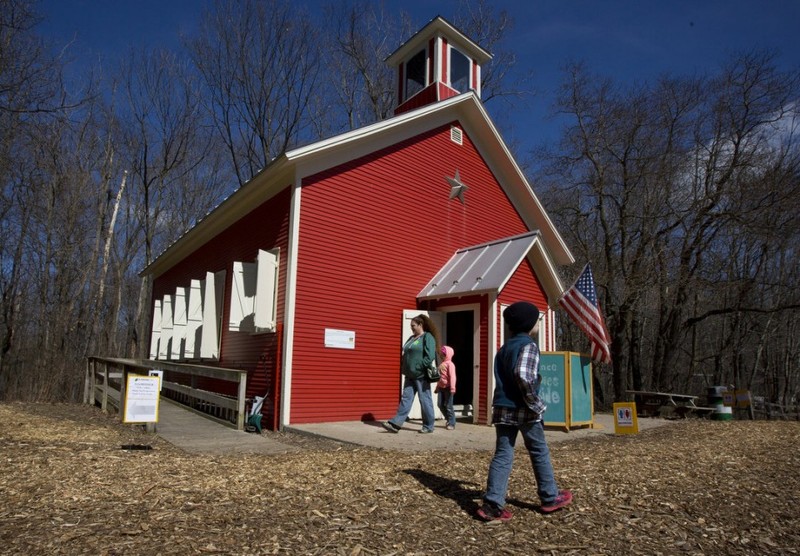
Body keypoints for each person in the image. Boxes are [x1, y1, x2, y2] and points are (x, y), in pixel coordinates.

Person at [478, 301, 572, 521]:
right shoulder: (528, 346)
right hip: (524, 409)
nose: (538, 324)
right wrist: (536, 404)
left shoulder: (504, 349)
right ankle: (549, 497)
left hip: (502, 408)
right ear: (529, 325)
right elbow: (523, 375)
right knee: (539, 451)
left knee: (503, 454)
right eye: (537, 320)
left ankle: (492, 504)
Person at [382, 314, 440, 434]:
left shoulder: (427, 337)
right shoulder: (411, 338)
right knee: (406, 399)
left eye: (413, 325)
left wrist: (419, 367)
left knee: (424, 400)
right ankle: (396, 423)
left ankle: (429, 426)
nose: (411, 328)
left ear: (420, 325)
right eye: (410, 326)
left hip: (421, 375)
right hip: (409, 375)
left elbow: (430, 357)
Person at [435, 345, 457, 430]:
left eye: (443, 355)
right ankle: (448, 419)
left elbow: (453, 377)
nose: (442, 356)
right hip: (441, 387)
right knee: (440, 404)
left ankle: (452, 422)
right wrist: (437, 387)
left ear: (448, 355)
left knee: (449, 405)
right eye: (441, 355)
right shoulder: (441, 364)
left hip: (448, 388)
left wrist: (452, 388)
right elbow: (439, 377)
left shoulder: (450, 365)